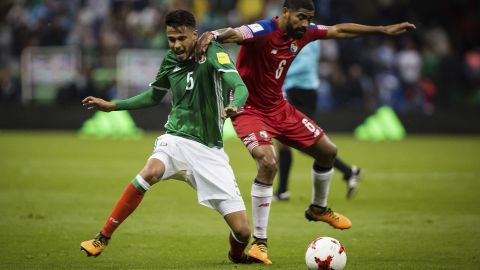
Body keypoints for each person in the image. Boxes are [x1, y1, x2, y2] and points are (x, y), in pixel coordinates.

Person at [196, 0, 415, 264]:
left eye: (309, 18)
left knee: (328, 152)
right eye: (300, 17)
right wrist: (214, 34)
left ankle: (318, 208)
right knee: (267, 162)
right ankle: (260, 243)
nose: (305, 23)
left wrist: (381, 30)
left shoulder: (305, 32)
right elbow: (236, 33)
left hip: (279, 107)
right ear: (285, 12)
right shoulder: (264, 30)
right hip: (248, 109)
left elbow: (339, 30)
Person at [79, 10, 253, 264]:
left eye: (182, 38)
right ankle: (102, 238)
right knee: (149, 172)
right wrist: (113, 105)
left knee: (242, 231)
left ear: (195, 34)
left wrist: (235, 104)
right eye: (171, 39)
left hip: (209, 151)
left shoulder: (213, 52)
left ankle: (236, 256)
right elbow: (153, 96)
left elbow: (240, 86)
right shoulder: (170, 60)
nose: (176, 45)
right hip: (176, 139)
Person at [275, 40, 362, 201]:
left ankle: (349, 171)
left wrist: (279, 71)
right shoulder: (295, 36)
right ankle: (282, 191)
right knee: (284, 142)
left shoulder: (308, 36)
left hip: (303, 93)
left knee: (306, 143)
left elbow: (306, 65)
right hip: (293, 91)